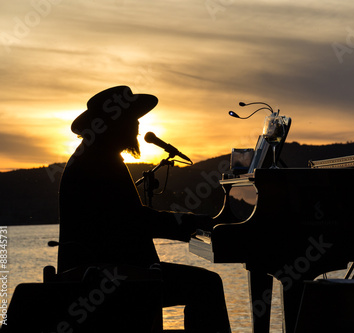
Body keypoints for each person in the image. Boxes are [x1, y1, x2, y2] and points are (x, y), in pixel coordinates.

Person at [58, 85, 231, 332]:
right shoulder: (99, 162)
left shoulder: (94, 156)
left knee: (202, 283)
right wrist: (199, 223)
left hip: (101, 273)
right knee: (207, 284)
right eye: (133, 119)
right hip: (105, 278)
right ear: (116, 123)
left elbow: (129, 221)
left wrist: (195, 225)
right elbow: (136, 221)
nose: (138, 127)